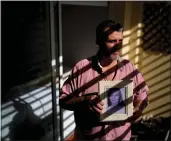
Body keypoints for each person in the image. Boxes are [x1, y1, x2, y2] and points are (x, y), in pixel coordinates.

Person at [59, 20, 149, 140]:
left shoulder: (129, 68)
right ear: (98, 42)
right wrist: (85, 100)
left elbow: (142, 95)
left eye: (120, 41)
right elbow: (63, 101)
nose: (118, 46)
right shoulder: (81, 68)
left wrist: (138, 108)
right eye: (112, 41)